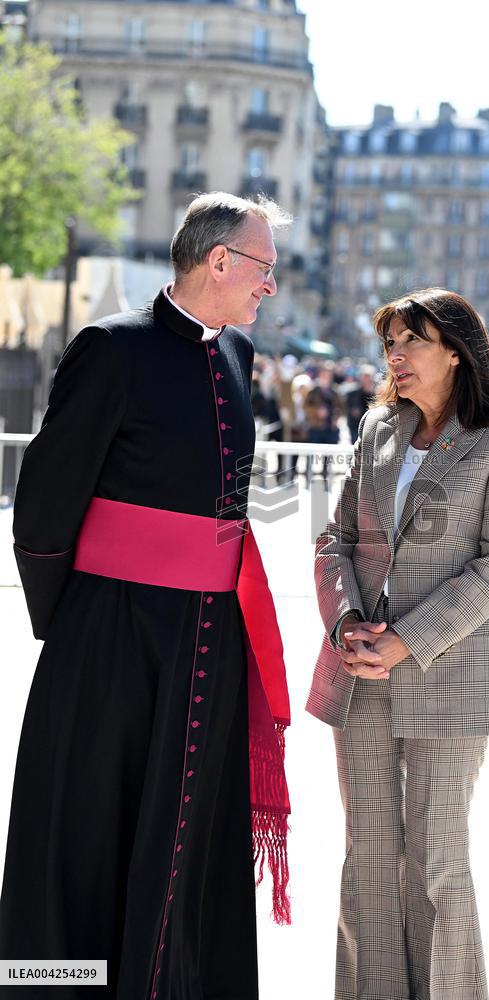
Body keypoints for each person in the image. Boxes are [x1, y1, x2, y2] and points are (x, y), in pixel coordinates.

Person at [0, 192, 292, 999]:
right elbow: (47, 502)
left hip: (210, 636)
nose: (271, 286)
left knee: (189, 833)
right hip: (115, 635)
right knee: (86, 831)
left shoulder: (237, 355)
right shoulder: (109, 346)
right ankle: (56, 987)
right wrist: (79, 624)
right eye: (264, 268)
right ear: (220, 260)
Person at [306, 288, 489, 1000]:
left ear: (456, 351)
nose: (396, 356)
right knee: (368, 859)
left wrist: (406, 641)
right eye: (390, 344)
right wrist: (346, 620)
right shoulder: (376, 428)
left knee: (438, 861)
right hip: (360, 672)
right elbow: (335, 539)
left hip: (449, 674)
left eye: (412, 341)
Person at [304, 361, 342, 486]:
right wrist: (316, 412)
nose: (327, 376)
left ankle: (325, 480)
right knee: (311, 456)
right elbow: (306, 406)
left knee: (327, 458)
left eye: (329, 374)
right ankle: (308, 479)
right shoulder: (314, 390)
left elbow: (341, 408)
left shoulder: (335, 391)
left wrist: (336, 417)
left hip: (330, 429)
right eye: (325, 374)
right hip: (316, 427)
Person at [345, 363, 376, 442]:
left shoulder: (377, 394)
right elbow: (346, 409)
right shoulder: (352, 393)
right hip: (356, 427)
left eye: (368, 376)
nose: (366, 379)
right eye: (364, 377)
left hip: (372, 429)